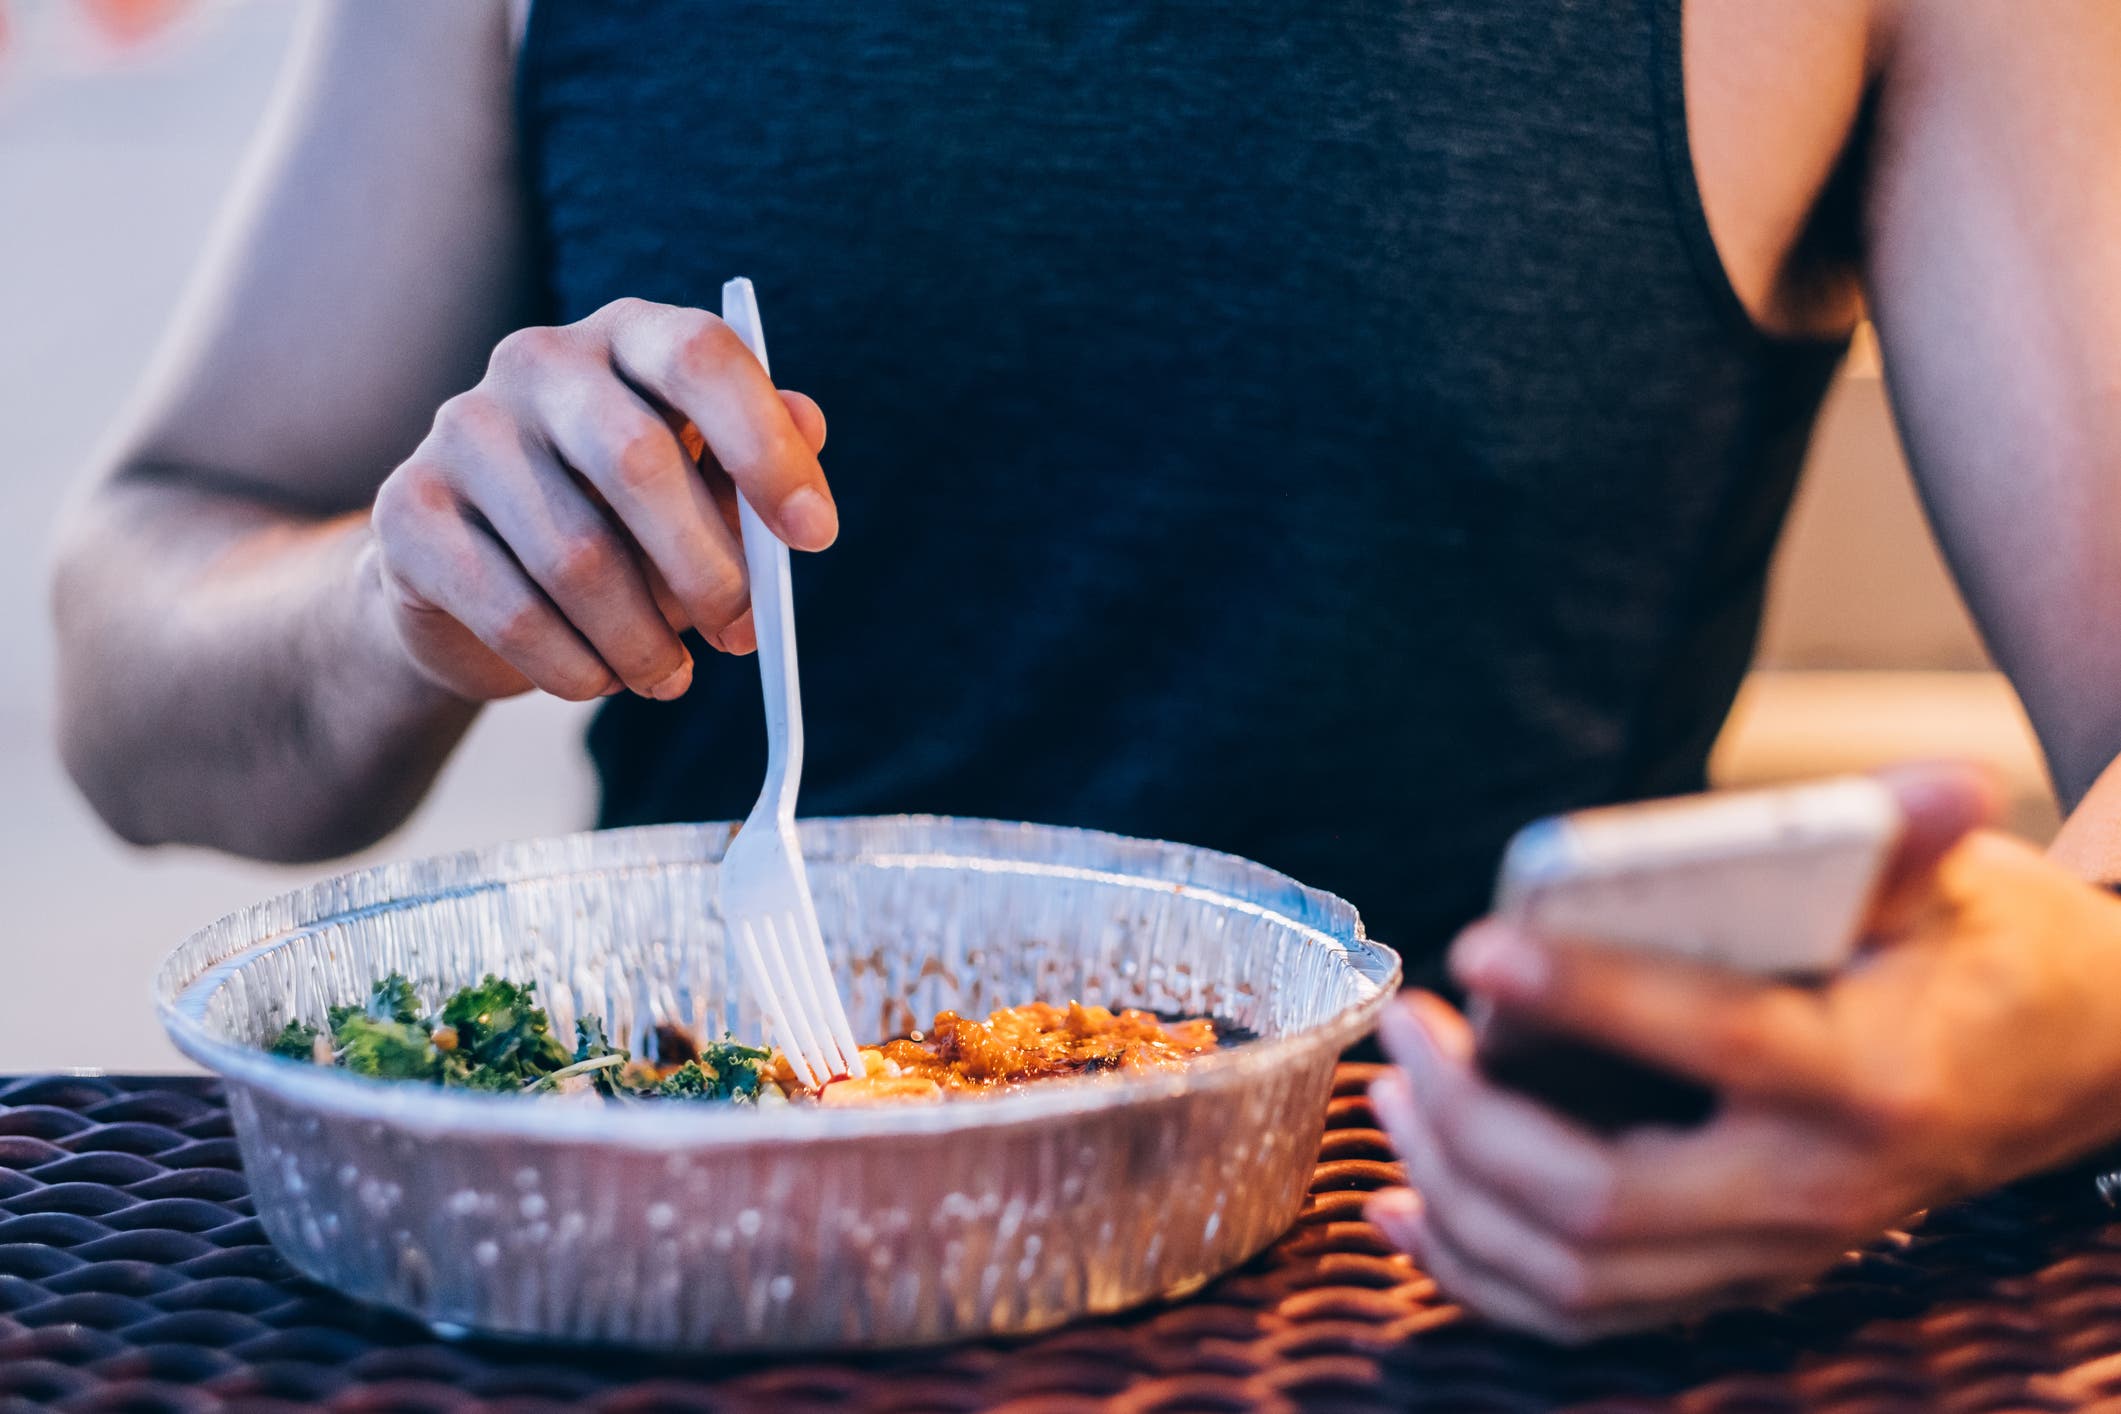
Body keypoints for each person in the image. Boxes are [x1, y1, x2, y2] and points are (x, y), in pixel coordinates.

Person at [48, 0, 2121, 1339]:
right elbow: (134, 663)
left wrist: (2062, 1009)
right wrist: (389, 602)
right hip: (649, 1293)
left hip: (1470, 1298)